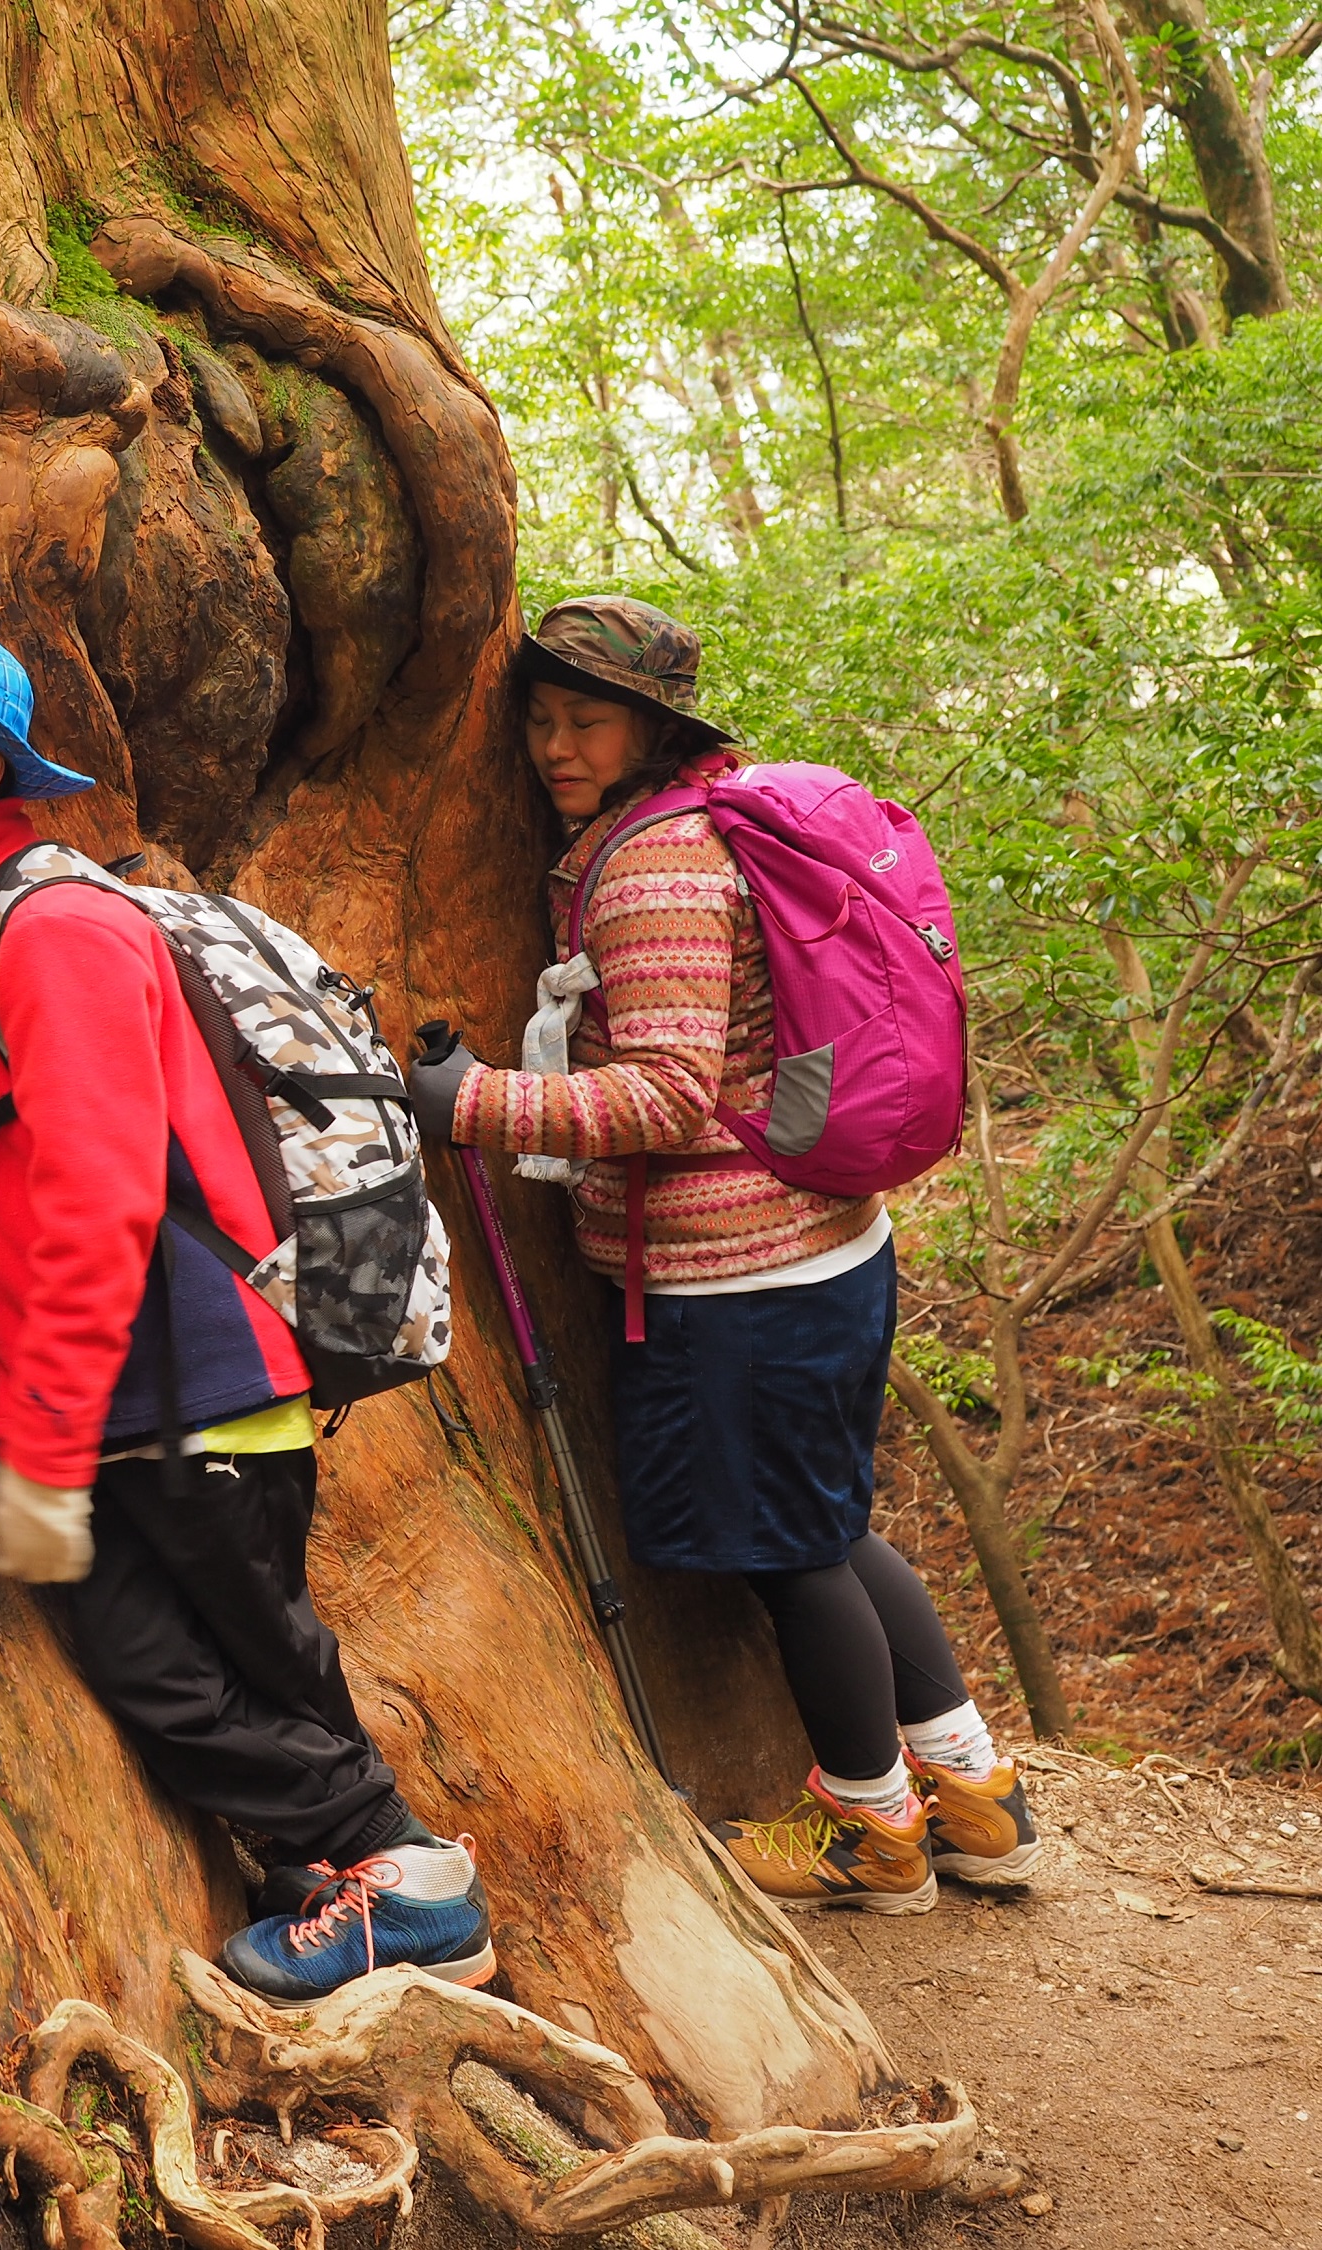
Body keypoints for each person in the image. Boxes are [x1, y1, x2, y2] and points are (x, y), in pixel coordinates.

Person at [0, 599, 493, 2002]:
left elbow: (98, 1200)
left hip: (187, 1384)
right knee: (210, 1660)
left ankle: (406, 1878)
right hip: (162, 1388)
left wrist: (39, 1440)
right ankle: (349, 1867)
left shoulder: (52, 926)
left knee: (191, 1665)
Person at [405, 596, 1038, 1912]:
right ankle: (972, 1790)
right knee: (831, 1526)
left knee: (789, 1553)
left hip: (740, 1280)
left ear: (652, 727)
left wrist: (472, 1099)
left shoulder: (653, 870)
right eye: (540, 717)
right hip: (820, 1246)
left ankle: (875, 1828)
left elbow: (667, 1096)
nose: (555, 744)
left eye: (587, 719)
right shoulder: (709, 821)